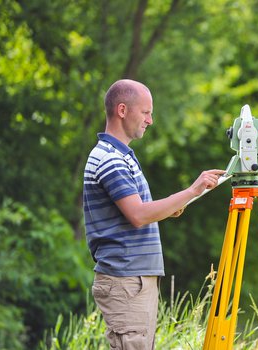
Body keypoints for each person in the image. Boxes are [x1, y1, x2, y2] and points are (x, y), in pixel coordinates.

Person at [83, 79, 225, 349]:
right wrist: (192, 190)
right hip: (126, 280)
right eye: (146, 112)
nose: (150, 120)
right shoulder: (110, 159)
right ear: (122, 110)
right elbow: (137, 215)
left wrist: (171, 207)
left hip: (134, 280)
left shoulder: (122, 156)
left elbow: (136, 210)